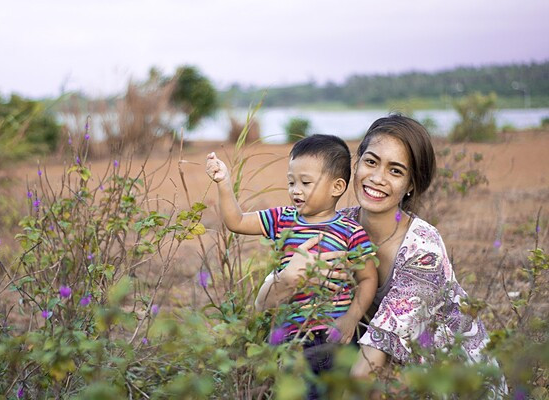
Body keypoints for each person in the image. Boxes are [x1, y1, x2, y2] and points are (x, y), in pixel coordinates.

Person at [255, 115, 507, 397]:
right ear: (357, 162)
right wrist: (287, 277)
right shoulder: (338, 227)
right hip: (376, 368)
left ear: (411, 185)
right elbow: (262, 306)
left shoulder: (423, 250)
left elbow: (368, 368)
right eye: (371, 162)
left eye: (395, 171)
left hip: (448, 380)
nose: (377, 178)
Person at [206, 134, 377, 347]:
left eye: (305, 182)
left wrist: (352, 318)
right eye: (291, 182)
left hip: (331, 334)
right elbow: (237, 221)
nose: (295, 190)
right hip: (286, 335)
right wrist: (223, 182)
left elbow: (368, 279)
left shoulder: (351, 231)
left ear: (337, 187)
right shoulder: (282, 218)